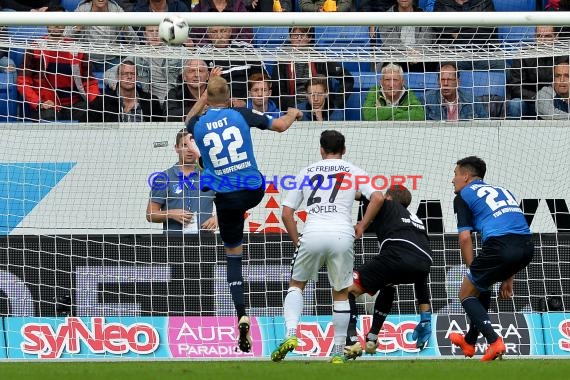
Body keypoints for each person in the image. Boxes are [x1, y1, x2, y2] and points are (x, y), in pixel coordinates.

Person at [186, 75, 303, 353]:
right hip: (253, 190)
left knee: (233, 256)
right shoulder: (241, 112)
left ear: (206, 97)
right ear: (229, 97)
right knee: (231, 174)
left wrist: (203, 94)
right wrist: (293, 113)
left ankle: (241, 311)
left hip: (226, 199)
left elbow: (189, 117)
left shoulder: (196, 124)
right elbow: (281, 126)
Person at [271, 130, 384, 364]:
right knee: (341, 293)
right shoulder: (353, 170)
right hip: (342, 234)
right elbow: (379, 197)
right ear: (344, 150)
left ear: (321, 150)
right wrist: (362, 225)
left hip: (312, 232)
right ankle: (338, 351)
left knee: (296, 284)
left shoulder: (307, 171)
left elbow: (286, 213)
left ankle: (291, 334)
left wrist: (297, 241)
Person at [449, 156, 534, 361]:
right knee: (481, 286)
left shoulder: (463, 195)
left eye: (455, 174)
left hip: (500, 246)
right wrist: (508, 276)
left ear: (466, 176)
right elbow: (515, 228)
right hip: (527, 247)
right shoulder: (505, 191)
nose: (452, 180)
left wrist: (472, 270)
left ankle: (495, 341)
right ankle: (469, 342)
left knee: (466, 293)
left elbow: (464, 238)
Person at [343, 185, 433, 359]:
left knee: (346, 288)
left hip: (397, 255)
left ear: (389, 198)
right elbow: (421, 278)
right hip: (424, 262)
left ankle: (351, 340)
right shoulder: (417, 220)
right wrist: (425, 317)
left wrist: (338, 192)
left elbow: (364, 196)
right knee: (388, 285)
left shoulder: (386, 203)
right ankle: (372, 338)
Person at [16, 3, 100, 122]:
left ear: (66, 23)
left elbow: (89, 82)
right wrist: (39, 102)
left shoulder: (77, 49)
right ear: (46, 23)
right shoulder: (35, 48)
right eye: (52, 20)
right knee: (48, 119)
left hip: (74, 104)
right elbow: (23, 81)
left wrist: (95, 102)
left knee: (93, 114)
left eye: (60, 20)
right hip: (47, 104)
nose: (56, 24)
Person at [146, 129, 217, 233]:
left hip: (205, 243)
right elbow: (150, 214)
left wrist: (219, 218)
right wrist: (171, 214)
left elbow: (231, 204)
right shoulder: (163, 178)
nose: (189, 150)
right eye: (184, 145)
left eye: (193, 146)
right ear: (176, 148)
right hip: (173, 243)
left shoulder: (211, 176)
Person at [82, 60, 165, 122]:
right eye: (125, 74)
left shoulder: (151, 102)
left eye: (132, 74)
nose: (129, 77)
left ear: (137, 77)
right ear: (118, 77)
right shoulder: (102, 102)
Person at [535, 56, 570, 120]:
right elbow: (551, 114)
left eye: (567, 76)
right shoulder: (544, 94)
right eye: (558, 76)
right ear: (553, 78)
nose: (562, 80)